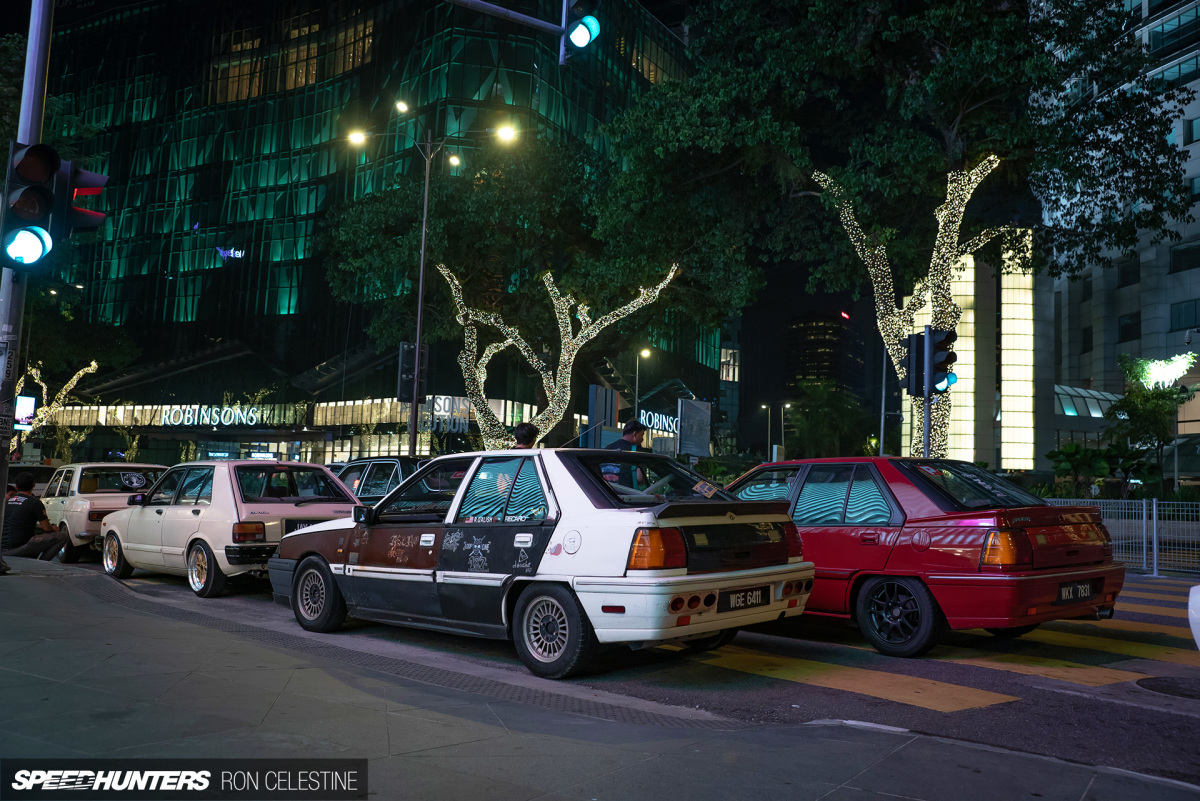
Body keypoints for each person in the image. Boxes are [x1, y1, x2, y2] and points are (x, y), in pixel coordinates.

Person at [1, 471, 65, 561]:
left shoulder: (7, 502)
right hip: (19, 549)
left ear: (16, 487)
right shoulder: (35, 502)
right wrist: (54, 528)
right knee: (61, 536)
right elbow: (46, 528)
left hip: (2, 549)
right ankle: (42, 562)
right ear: (33, 485)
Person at [602, 419, 649, 490]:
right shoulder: (637, 451)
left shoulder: (607, 448)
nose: (642, 439)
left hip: (608, 493)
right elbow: (640, 478)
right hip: (627, 496)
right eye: (642, 435)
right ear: (635, 434)